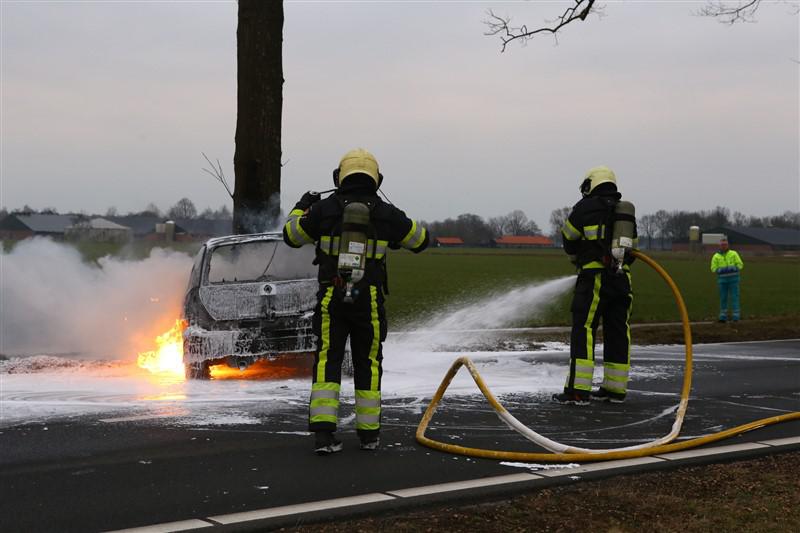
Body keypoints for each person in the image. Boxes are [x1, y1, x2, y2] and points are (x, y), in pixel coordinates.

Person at [283, 148, 429, 454]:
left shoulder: (323, 209)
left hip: (330, 297)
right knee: (369, 363)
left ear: (339, 177)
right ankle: (369, 435)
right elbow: (421, 241)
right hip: (369, 299)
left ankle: (324, 435)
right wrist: (395, 221)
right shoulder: (386, 213)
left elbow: (291, 236)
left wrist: (301, 207)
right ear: (377, 179)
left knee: (327, 360)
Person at [554, 166, 637, 405]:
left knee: (584, 328)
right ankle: (615, 389)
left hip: (593, 279)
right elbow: (634, 248)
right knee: (618, 330)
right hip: (622, 280)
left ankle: (578, 391)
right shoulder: (625, 213)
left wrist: (582, 254)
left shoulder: (584, 208)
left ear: (591, 184)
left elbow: (568, 238)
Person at [710, 237, 744, 322]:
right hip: (722, 280)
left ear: (728, 245)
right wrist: (720, 270)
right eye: (722, 245)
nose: (724, 246)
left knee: (735, 297)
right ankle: (723, 316)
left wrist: (734, 268)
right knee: (723, 298)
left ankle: (736, 316)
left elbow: (740, 264)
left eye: (725, 244)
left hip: (734, 279)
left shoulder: (734, 253)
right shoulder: (716, 256)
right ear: (719, 246)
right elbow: (713, 268)